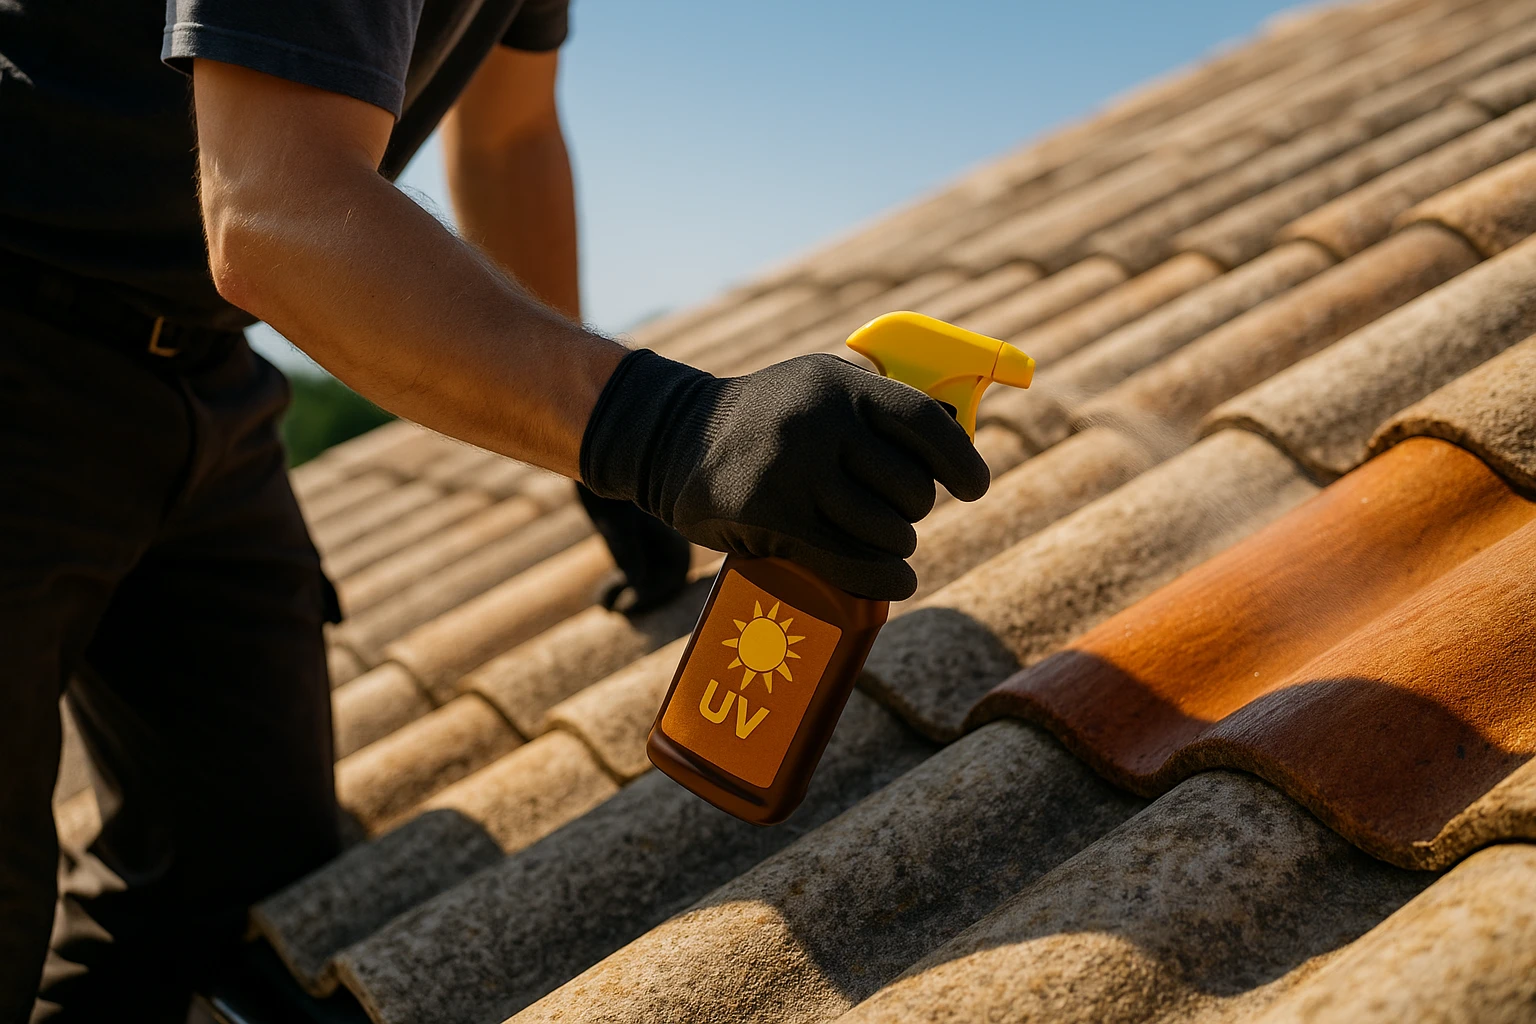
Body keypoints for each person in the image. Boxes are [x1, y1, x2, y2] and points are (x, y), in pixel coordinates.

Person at [0, 1, 991, 1019]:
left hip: (199, 370)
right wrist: (665, 431)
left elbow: (510, 136)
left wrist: (592, 460)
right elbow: (270, 210)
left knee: (223, 888)